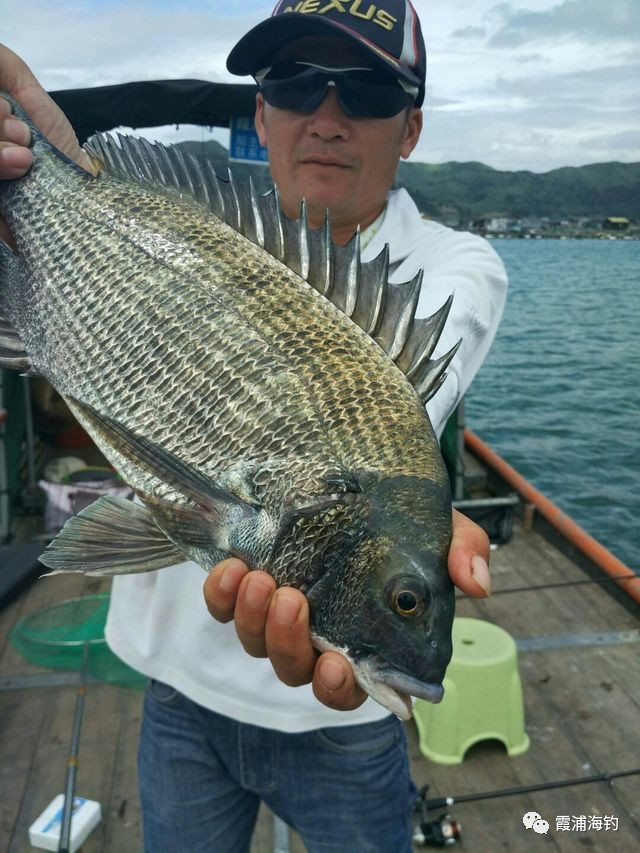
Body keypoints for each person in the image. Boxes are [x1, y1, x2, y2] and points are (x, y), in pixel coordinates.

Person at [0, 2, 507, 850]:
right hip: (174, 697)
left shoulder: (454, 270)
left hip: (341, 735)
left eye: (369, 92)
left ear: (410, 126)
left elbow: (394, 419)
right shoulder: (155, 229)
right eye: (296, 83)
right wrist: (36, 179)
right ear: (261, 111)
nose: (328, 117)